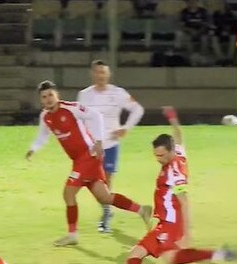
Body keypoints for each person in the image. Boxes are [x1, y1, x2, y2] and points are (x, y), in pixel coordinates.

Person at [103, 107, 237, 264]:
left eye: (162, 155)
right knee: (164, 258)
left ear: (170, 151)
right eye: (156, 155)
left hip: (170, 224)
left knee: (137, 256)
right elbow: (179, 136)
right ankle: (218, 255)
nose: (159, 159)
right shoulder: (179, 154)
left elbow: (184, 201)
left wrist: (186, 235)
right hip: (167, 222)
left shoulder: (175, 172)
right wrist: (174, 119)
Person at [26, 80, 152, 246]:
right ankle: (141, 210)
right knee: (105, 197)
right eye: (44, 96)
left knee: (68, 193)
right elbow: (42, 136)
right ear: (41, 100)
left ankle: (72, 235)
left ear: (57, 95)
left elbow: (96, 116)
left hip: (88, 156)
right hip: (79, 160)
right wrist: (33, 149)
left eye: (51, 95)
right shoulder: (45, 116)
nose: (48, 99)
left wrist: (99, 141)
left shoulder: (71, 108)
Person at [78, 60, 144, 233]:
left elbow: (138, 110)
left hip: (111, 145)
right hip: (92, 148)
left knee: (106, 183)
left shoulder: (118, 93)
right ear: (92, 74)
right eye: (97, 72)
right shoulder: (84, 95)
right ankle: (107, 210)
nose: (100, 75)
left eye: (103, 72)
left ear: (108, 74)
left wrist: (126, 128)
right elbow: (79, 119)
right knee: (93, 183)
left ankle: (106, 213)